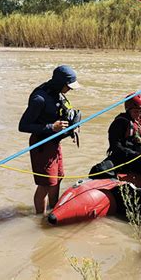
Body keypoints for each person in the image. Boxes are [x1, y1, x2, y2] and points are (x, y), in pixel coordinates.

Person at [19, 65, 81, 214]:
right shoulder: (39, 99)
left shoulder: (57, 93)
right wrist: (51, 127)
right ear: (60, 83)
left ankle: (54, 211)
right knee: (45, 185)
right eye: (69, 86)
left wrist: (73, 126)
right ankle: (40, 218)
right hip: (42, 145)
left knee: (58, 179)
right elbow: (23, 126)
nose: (70, 89)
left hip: (54, 143)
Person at [99, 93, 141, 181]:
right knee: (99, 169)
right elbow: (116, 147)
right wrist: (137, 155)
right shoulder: (120, 123)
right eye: (136, 111)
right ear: (128, 110)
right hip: (123, 158)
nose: (139, 114)